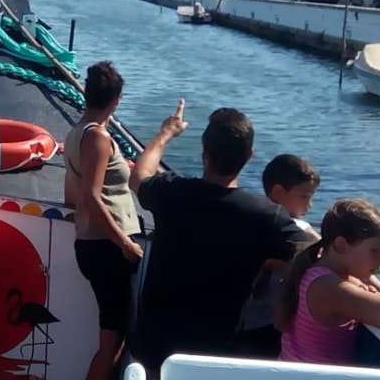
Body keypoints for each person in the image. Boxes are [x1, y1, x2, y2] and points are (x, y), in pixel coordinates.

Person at [129, 103, 312, 370]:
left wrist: (166, 133)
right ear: (249, 156)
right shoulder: (265, 216)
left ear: (205, 153)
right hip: (211, 358)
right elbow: (311, 253)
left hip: (154, 347)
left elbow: (139, 176)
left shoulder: (172, 192)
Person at [64, 61, 143, 380]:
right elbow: (92, 197)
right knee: (112, 342)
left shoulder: (76, 133)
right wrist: (124, 243)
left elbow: (73, 194)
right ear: (116, 100)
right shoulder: (97, 138)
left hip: (90, 243)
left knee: (113, 336)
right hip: (108, 249)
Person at [277, 199, 380, 365]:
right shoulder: (329, 287)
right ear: (341, 245)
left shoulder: (314, 269)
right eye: (375, 251)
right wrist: (370, 278)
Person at [235, 154, 322, 357]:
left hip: (241, 322)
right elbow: (327, 258)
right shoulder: (299, 229)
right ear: (278, 192)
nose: (309, 206)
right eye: (304, 196)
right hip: (268, 326)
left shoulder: (249, 218)